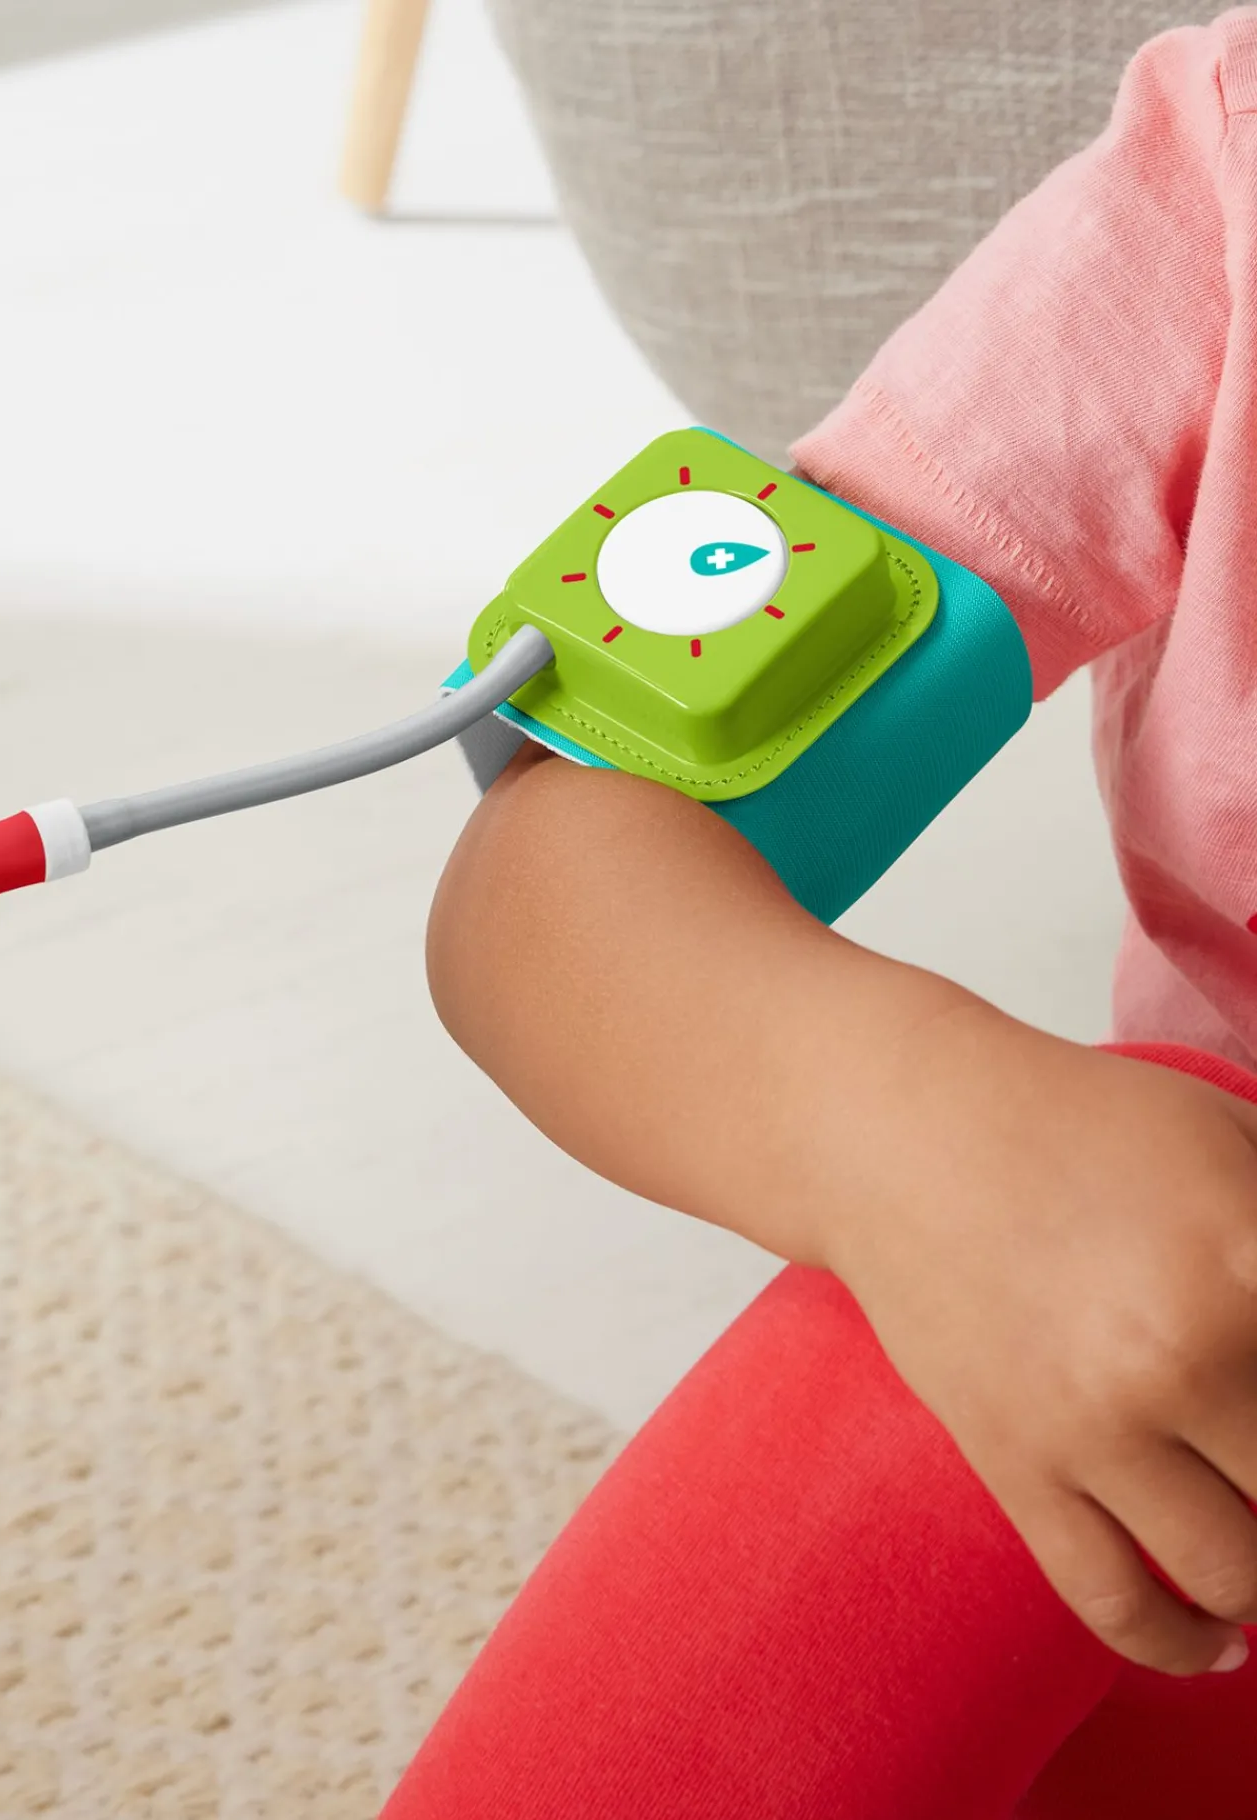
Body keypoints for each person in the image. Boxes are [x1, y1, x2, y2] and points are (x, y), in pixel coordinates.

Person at [386, 10, 1257, 1816]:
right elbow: (560, 869)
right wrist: (929, 1150)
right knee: (1033, 1277)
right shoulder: (1222, 194)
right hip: (1214, 1443)